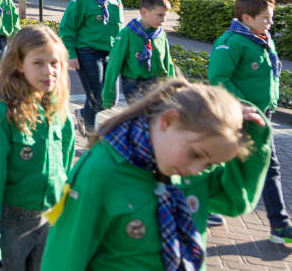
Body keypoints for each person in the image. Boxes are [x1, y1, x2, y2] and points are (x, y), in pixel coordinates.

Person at [40, 79, 272, 271]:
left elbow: (236, 201)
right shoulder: (100, 170)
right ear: (168, 121)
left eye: (210, 163)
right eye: (196, 154)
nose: (196, 169)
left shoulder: (190, 167)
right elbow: (63, 257)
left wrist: (255, 134)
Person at [0, 26, 75, 271]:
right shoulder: (1, 115)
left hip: (49, 219)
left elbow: (66, 169)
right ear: (19, 64)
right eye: (38, 62)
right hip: (11, 224)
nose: (48, 71)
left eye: (54, 63)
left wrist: (62, 216)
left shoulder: (59, 110)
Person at [208, 0, 292, 242]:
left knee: (255, 164)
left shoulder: (262, 38)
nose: (270, 23)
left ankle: (277, 225)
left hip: (261, 113)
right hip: (242, 115)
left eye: (271, 18)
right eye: (266, 18)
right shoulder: (231, 42)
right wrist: (244, 106)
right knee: (254, 164)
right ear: (246, 18)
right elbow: (219, 78)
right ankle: (278, 224)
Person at [58, 0, 123, 136]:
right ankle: (91, 135)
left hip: (110, 54)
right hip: (88, 52)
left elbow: (120, 29)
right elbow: (67, 27)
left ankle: (82, 114)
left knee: (111, 99)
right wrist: (71, 53)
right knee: (95, 97)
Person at [101, 0, 176, 109]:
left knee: (156, 116)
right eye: (160, 15)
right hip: (133, 83)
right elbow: (114, 65)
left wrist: (173, 89)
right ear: (144, 12)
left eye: (166, 16)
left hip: (155, 82)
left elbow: (168, 64)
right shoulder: (127, 34)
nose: (163, 20)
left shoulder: (160, 35)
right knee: (143, 113)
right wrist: (108, 95)